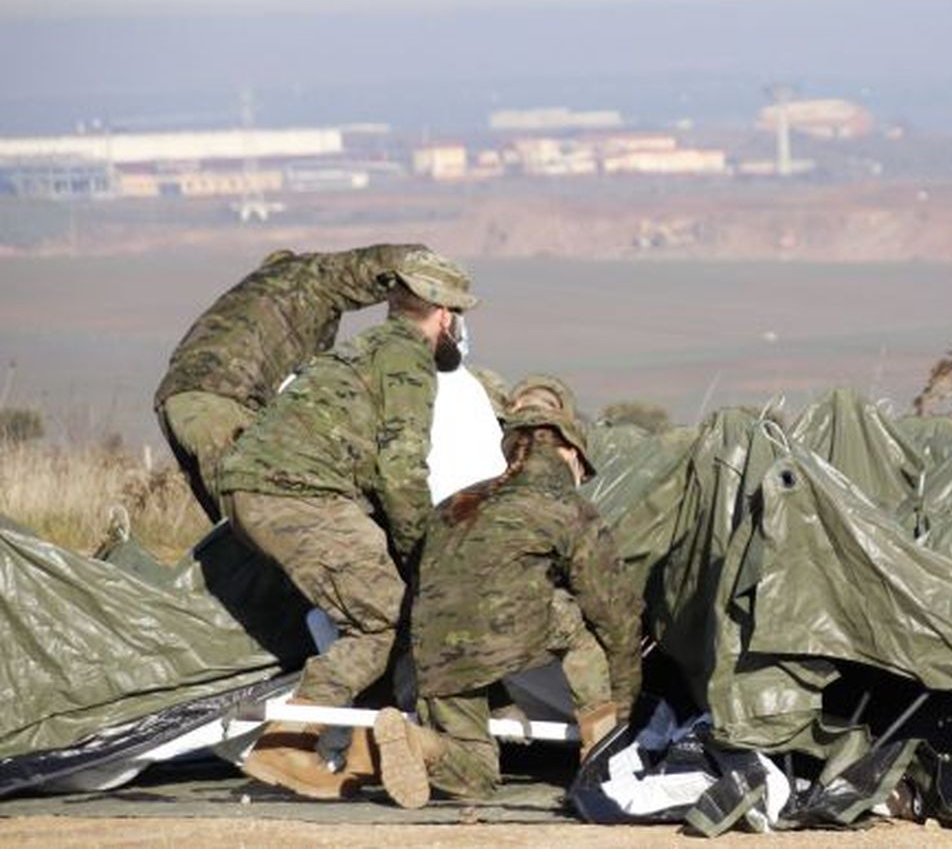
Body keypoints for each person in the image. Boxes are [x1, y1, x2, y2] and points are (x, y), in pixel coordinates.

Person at [218, 248, 478, 797]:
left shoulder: (365, 347)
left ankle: (362, 750)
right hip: (297, 494)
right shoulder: (408, 359)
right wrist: (422, 555)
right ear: (444, 316)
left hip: (258, 490)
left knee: (374, 602)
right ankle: (287, 742)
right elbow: (403, 471)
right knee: (386, 615)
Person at [373, 403, 642, 809]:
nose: (581, 480)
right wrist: (624, 709)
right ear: (569, 451)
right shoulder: (569, 509)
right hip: (509, 628)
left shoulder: (452, 504)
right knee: (587, 630)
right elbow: (615, 614)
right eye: (583, 470)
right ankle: (600, 754)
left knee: (476, 775)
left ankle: (420, 744)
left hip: (433, 644)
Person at [154, 243, 424, 523]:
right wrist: (437, 281)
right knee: (262, 521)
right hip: (222, 401)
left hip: (175, 402)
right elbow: (387, 261)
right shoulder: (311, 275)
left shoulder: (243, 299)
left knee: (232, 528)